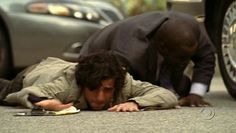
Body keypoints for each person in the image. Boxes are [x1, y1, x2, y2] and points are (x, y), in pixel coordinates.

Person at [79, 11, 216, 107]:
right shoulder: (130, 49)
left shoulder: (191, 32)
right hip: (97, 52)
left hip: (159, 49)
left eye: (188, 56)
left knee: (181, 88)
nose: (185, 62)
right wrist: (136, 101)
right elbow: (123, 83)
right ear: (161, 48)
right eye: (181, 57)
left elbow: (206, 58)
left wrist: (196, 94)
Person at [0, 52, 177, 111]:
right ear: (83, 84)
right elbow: (27, 93)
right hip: (32, 74)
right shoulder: (66, 86)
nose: (101, 98)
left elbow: (166, 95)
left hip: (58, 67)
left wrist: (135, 102)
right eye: (93, 89)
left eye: (107, 90)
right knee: (4, 92)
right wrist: (44, 102)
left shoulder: (124, 83)